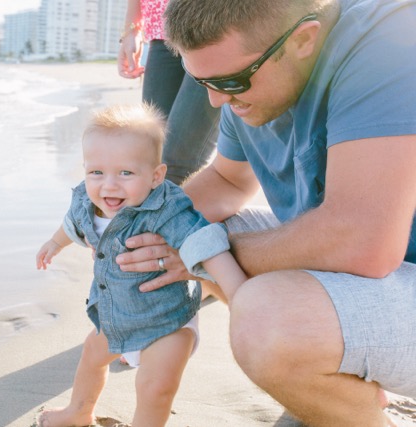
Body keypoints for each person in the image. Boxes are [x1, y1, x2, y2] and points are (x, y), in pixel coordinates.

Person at [114, 0, 416, 426]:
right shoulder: (244, 86)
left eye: (231, 81)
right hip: (391, 274)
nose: (217, 100)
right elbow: (227, 180)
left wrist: (198, 251)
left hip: (386, 257)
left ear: (303, 40)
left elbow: (365, 241)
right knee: (190, 226)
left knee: (269, 320)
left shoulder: (391, 38)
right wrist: (142, 224)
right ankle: (333, 394)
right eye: (203, 82)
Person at [35, 103, 239, 426]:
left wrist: (238, 290)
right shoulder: (87, 202)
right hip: (115, 316)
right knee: (91, 358)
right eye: (96, 172)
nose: (109, 185)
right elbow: (72, 224)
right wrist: (53, 244)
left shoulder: (166, 209)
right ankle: (79, 411)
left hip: (167, 320)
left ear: (156, 176)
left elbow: (205, 243)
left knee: (154, 388)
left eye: (126, 173)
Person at [118, 0, 220, 185]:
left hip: (214, 22)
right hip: (160, 28)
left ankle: (167, 213)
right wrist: (132, 29)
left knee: (178, 163)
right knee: (149, 155)